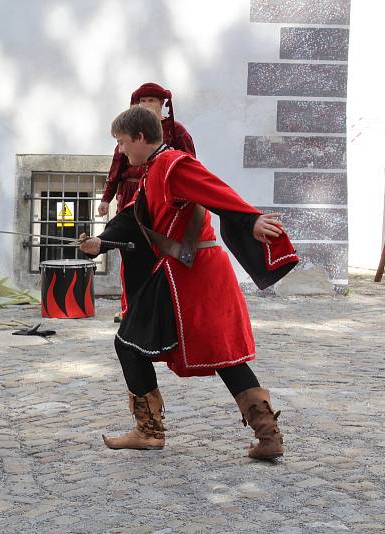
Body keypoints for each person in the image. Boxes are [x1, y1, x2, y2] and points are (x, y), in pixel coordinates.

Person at [80, 106, 298, 460]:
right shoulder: (154, 172)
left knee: (128, 342)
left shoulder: (173, 164)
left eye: (121, 142)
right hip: (190, 273)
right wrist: (102, 242)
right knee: (224, 355)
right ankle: (269, 437)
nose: (120, 151)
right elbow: (135, 219)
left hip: (189, 274)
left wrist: (251, 220)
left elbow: (215, 190)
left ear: (138, 137)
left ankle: (149, 432)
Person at [99, 83, 197, 323]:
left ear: (162, 104)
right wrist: (106, 198)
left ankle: (165, 305)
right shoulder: (128, 132)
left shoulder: (176, 132)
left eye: (152, 101)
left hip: (164, 197)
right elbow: (117, 168)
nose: (147, 105)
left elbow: (191, 166)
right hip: (132, 193)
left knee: (160, 250)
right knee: (128, 245)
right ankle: (129, 306)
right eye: (142, 101)